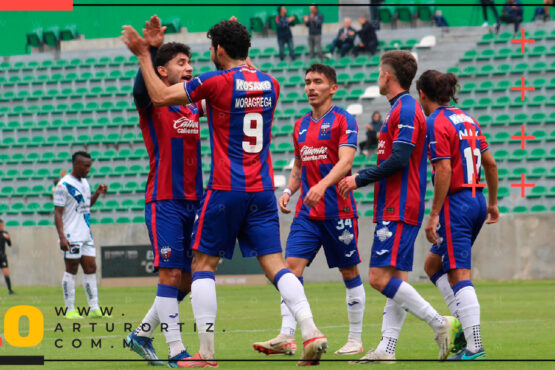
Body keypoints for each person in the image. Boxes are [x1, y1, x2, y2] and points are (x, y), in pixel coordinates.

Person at [122, 19, 328, 367]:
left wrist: (144, 52)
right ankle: (310, 330)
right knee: (276, 267)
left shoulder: (214, 85)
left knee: (202, 267)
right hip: (261, 189)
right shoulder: (271, 83)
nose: (191, 67)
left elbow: (162, 94)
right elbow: (154, 97)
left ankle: (205, 353)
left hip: (224, 188)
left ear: (218, 50)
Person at [338, 51, 458, 363]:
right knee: (397, 281)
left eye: (380, 72)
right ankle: (386, 349)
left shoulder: (405, 109)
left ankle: (439, 322)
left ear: (388, 76)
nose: (378, 77)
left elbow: (400, 159)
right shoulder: (398, 109)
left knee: (378, 278)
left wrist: (359, 179)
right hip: (395, 204)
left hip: (400, 206)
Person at [252, 64, 365, 357]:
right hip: (307, 212)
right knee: (290, 268)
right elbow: (300, 165)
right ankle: (287, 336)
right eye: (307, 82)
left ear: (333, 88)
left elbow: (345, 161)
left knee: (348, 271)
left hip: (337, 209)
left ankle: (355, 339)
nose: (311, 87)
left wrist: (323, 186)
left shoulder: (344, 119)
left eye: (317, 82)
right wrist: (290, 190)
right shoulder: (301, 124)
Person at [123, 15, 203, 367]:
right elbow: (141, 91)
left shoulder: (192, 106)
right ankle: (177, 354)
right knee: (170, 275)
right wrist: (151, 50)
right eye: (180, 63)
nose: (188, 68)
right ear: (163, 73)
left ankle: (141, 334)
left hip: (194, 200)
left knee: (187, 280)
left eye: (189, 62)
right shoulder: (153, 106)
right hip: (164, 199)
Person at [417, 70, 499, 361]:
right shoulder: (468, 119)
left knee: (459, 273)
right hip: (476, 198)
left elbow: (444, 169)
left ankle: (474, 345)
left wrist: (434, 214)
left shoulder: (435, 122)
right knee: (432, 264)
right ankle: (464, 324)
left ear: (422, 95)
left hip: (457, 204)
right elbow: (490, 163)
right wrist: (491, 202)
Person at [53, 151, 109, 320]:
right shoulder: (63, 186)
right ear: (76, 165)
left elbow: (86, 205)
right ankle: (70, 309)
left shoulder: (85, 182)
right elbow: (57, 213)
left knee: (91, 268)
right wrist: (62, 237)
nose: (88, 169)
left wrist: (97, 194)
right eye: (86, 166)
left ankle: (94, 308)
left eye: (89, 165)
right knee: (71, 270)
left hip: (86, 234)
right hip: (71, 235)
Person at [0, 219, 14, 295]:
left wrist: (8, 239)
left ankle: (10, 290)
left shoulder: (5, 233)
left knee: (6, 273)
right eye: (0, 225)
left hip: (2, 257)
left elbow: (9, 244)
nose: (2, 227)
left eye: (2, 225)